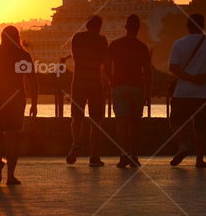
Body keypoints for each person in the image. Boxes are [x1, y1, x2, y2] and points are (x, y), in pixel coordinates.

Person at [0, 26, 38, 185]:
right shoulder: (23, 55)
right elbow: (32, 80)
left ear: (2, 37)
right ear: (17, 37)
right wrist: (34, 103)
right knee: (12, 138)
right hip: (16, 101)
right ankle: (10, 176)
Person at [168, 13, 206, 168]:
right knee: (201, 127)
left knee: (175, 121)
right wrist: (204, 77)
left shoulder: (179, 44)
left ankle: (183, 145)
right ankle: (199, 159)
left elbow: (173, 67)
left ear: (187, 26)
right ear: (203, 26)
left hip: (182, 92)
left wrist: (190, 78)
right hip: (204, 93)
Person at [107, 14, 152, 168]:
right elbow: (147, 72)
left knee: (121, 123)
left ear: (125, 27)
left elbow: (106, 65)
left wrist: (111, 79)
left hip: (119, 87)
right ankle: (134, 155)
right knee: (135, 124)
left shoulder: (115, 44)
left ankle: (123, 154)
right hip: (137, 87)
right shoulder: (142, 47)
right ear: (138, 29)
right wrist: (148, 93)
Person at [65, 15, 108, 167]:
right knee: (96, 120)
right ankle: (94, 156)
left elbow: (76, 58)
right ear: (99, 27)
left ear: (87, 25)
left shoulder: (77, 38)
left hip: (78, 82)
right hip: (95, 83)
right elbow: (104, 61)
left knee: (76, 117)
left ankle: (76, 143)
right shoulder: (101, 40)